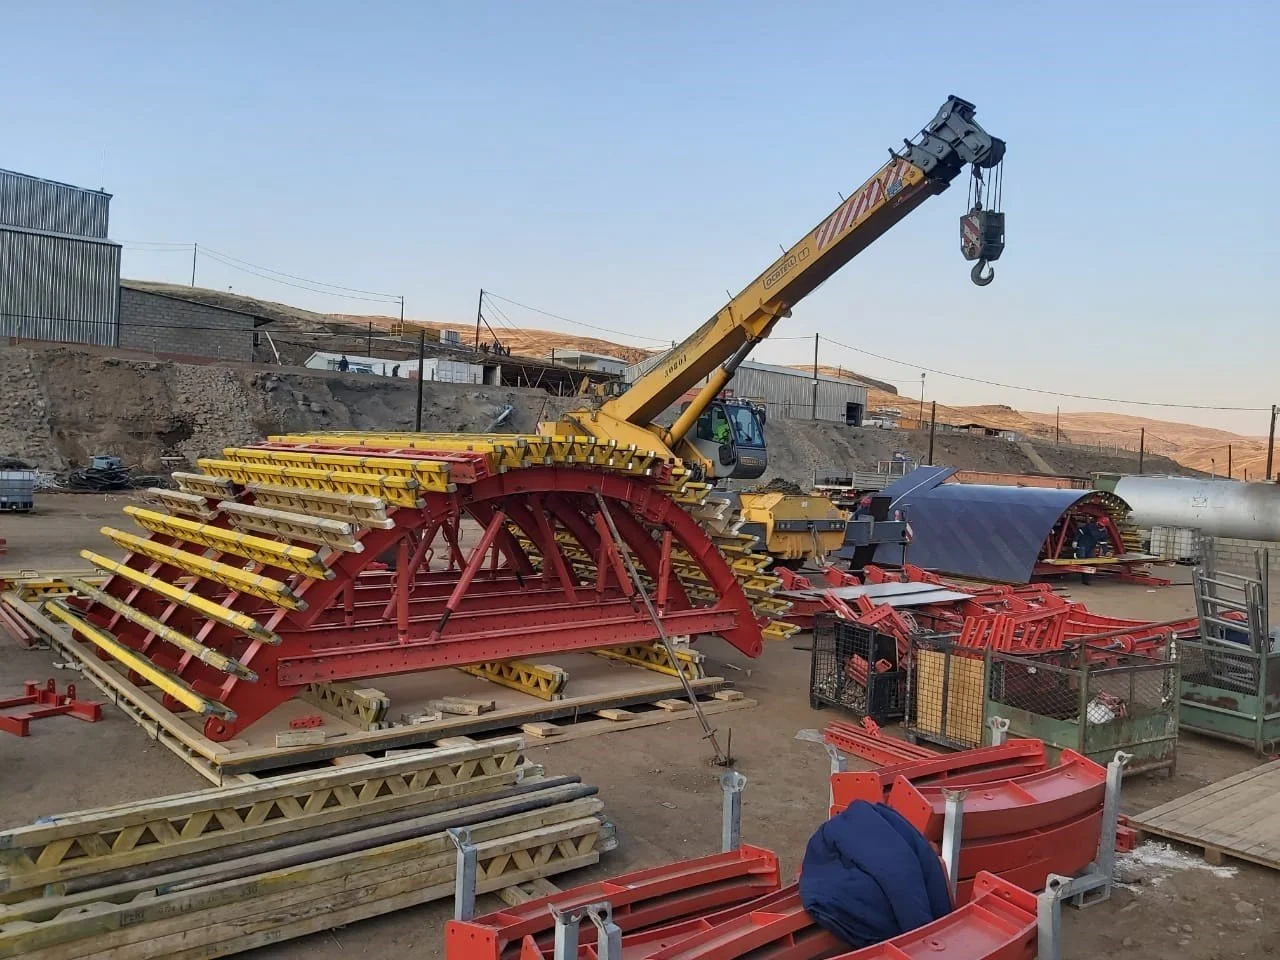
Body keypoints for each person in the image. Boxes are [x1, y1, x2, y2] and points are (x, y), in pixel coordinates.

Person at [1074, 516, 1108, 584]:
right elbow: (1080, 532)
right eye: (1099, 524)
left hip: (1091, 548)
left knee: (1091, 562)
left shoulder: (1104, 532)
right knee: (1082, 561)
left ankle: (1086, 580)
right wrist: (1075, 541)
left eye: (1102, 526)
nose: (1100, 526)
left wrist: (1106, 552)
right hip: (1082, 545)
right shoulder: (1089, 526)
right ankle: (1084, 578)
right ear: (1097, 522)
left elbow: (1103, 543)